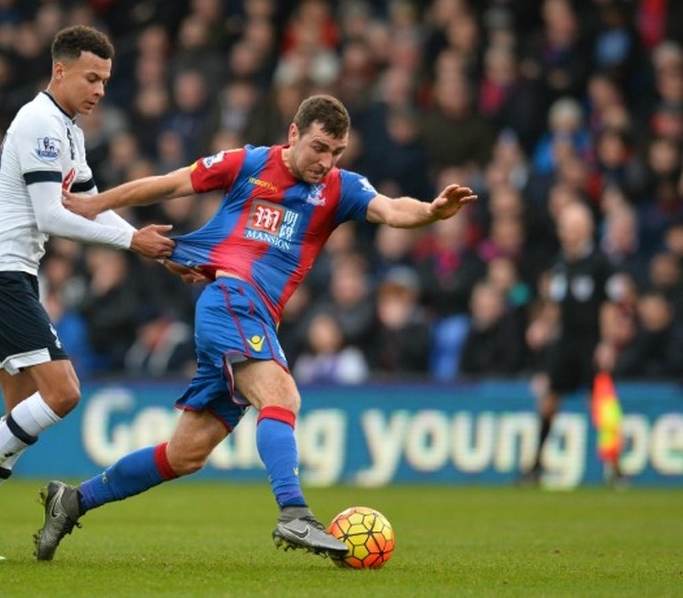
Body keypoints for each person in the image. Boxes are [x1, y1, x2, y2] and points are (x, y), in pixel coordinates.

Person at [41, 94, 476, 560]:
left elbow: (391, 210)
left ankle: (73, 499)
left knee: (185, 453)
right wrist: (95, 204)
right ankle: (294, 512)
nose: (325, 162)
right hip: (231, 298)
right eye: (318, 148)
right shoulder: (247, 163)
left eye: (336, 152)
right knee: (282, 395)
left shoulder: (340, 188)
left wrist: (431, 211)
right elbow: (169, 184)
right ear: (293, 134)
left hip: (253, 314)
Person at [0, 25, 175, 562]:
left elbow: (88, 207)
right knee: (63, 393)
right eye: (91, 77)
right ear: (59, 70)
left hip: (1, 270)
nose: (100, 90)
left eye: (106, 80)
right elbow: (51, 217)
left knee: (18, 414)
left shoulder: (70, 133)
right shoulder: (39, 122)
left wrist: (163, 250)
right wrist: (134, 241)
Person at [520, 202, 612, 485]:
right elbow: (554, 304)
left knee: (599, 404)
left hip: (590, 341)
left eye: (575, 227)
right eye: (565, 227)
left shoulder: (600, 263)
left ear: (586, 229)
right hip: (564, 342)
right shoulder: (559, 263)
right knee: (548, 402)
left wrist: (607, 343)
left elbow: (608, 306)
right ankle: (536, 466)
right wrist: (543, 326)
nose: (569, 233)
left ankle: (615, 467)